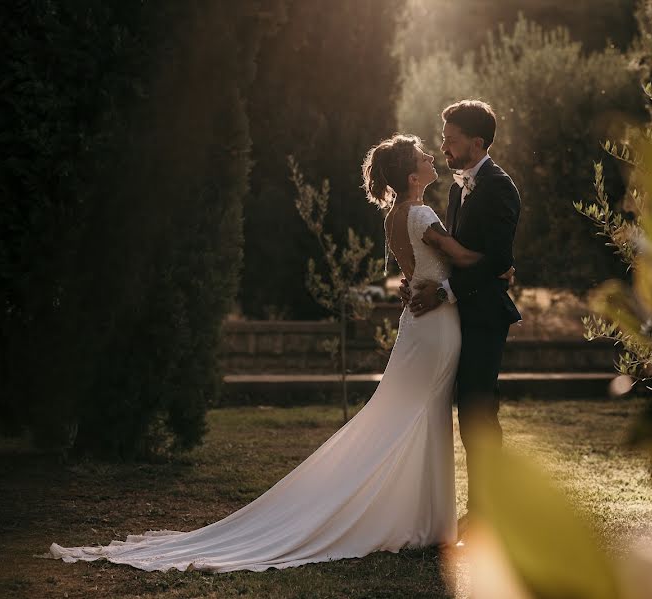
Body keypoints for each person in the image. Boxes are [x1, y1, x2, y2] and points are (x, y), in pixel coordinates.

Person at [46, 133, 502, 573]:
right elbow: (460, 257)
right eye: (423, 154)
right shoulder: (421, 214)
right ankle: (418, 519)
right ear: (410, 173)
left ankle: (419, 518)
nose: (430, 157)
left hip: (416, 326)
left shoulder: (394, 216)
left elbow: (414, 270)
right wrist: (499, 266)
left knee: (411, 416)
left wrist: (433, 284)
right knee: (422, 416)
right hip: (436, 327)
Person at [401, 100, 522, 525]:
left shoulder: (500, 187)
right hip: (453, 317)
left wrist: (445, 291)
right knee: (454, 409)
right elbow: (462, 255)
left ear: (477, 142)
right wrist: (419, 281)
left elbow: (496, 258)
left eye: (451, 140)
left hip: (484, 316)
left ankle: (487, 514)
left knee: (477, 411)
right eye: (444, 140)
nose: (444, 147)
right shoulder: (456, 189)